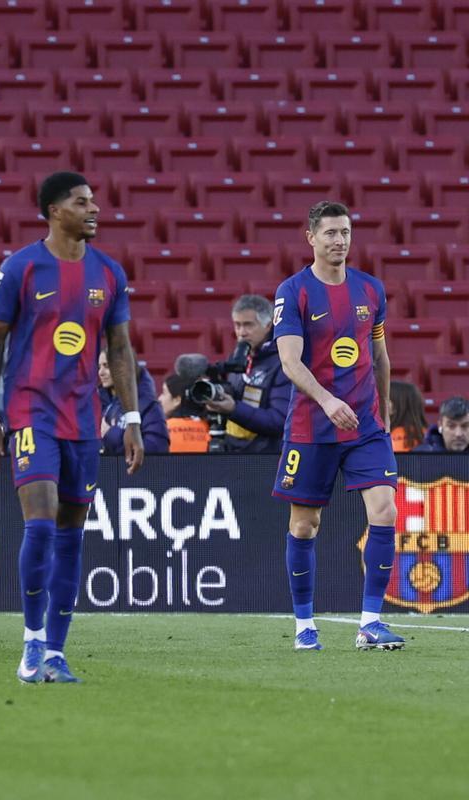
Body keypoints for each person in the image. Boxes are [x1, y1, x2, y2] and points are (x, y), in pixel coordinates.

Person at [0, 171, 145, 684]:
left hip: (84, 417)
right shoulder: (21, 268)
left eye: (94, 200)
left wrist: (132, 417)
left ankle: (55, 650)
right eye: (81, 202)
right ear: (54, 210)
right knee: (43, 519)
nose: (94, 209)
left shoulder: (109, 272)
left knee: (72, 531)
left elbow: (119, 350)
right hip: (32, 410)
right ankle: (30, 644)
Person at [273, 200, 403, 652]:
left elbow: (380, 354)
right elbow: (289, 361)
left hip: (365, 425)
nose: (339, 241)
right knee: (305, 525)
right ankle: (304, 625)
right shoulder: (294, 291)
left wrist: (383, 408)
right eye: (329, 233)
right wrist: (327, 401)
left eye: (345, 232)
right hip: (313, 426)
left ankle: (370, 622)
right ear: (311, 237)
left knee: (385, 510)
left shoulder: (371, 290)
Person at [202, 295, 291, 453]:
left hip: (266, 457)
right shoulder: (238, 357)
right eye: (237, 325)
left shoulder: (283, 361)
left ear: (268, 325)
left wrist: (233, 409)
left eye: (248, 325)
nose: (241, 333)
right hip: (235, 450)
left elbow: (279, 421)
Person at [98, 349, 168, 455]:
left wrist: (111, 435)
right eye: (99, 367)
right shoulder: (103, 404)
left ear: (124, 367)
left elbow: (157, 449)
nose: (100, 372)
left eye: (106, 366)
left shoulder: (148, 405)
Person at [159, 354, 209, 453]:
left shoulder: (160, 431)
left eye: (164, 393)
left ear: (177, 400)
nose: (159, 398)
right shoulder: (212, 428)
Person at [388, 380, 428, 452]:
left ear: (394, 408)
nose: (378, 403)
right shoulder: (431, 436)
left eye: (385, 399)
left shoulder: (385, 440)